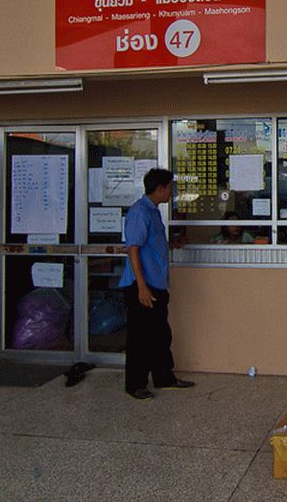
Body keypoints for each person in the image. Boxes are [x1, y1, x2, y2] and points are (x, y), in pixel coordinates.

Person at [119, 168, 194, 400]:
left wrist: (173, 244)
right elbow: (133, 250)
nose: (172, 192)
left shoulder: (153, 212)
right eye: (171, 187)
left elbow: (152, 245)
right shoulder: (139, 212)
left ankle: (164, 377)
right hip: (143, 287)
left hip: (157, 286)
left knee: (160, 334)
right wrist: (142, 286)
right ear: (160, 188)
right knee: (140, 338)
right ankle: (135, 385)